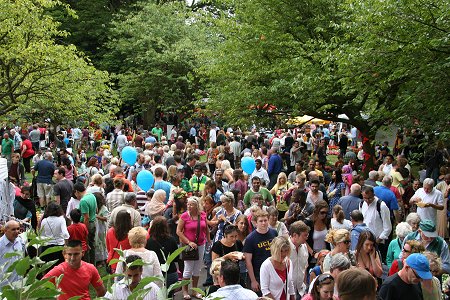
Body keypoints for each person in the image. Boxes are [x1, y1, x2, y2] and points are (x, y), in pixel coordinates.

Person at [176, 196, 210, 299]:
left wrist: (209, 240)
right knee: (188, 269)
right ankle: (185, 291)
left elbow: (206, 228)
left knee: (197, 268)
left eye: (191, 204)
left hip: (201, 244)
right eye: (188, 204)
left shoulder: (202, 215)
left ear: (197, 206)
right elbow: (178, 231)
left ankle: (194, 290)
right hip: (188, 246)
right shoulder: (184, 216)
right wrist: (188, 242)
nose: (189, 206)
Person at [243, 209, 278, 294]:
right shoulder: (250, 239)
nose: (263, 223)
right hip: (258, 274)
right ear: (255, 223)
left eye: (265, 220)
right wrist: (253, 280)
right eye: (261, 221)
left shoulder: (274, 233)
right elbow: (248, 261)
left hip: (274, 271)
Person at [146, 216, 179, 291]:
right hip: (171, 271)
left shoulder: (149, 242)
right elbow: (176, 258)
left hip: (156, 273)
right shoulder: (172, 240)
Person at [359, 185, 392, 262]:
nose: (367, 200)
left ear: (374, 195)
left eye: (369, 198)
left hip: (377, 242)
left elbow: (388, 227)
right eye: (365, 198)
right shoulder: (361, 204)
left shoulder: (381, 206)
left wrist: (377, 241)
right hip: (364, 240)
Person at [74, 182, 97, 264]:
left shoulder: (83, 201)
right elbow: (96, 210)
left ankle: (88, 264)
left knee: (86, 246)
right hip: (94, 222)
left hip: (88, 224)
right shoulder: (92, 195)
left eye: (75, 193)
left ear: (77, 191)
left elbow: (86, 217)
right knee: (92, 245)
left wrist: (84, 230)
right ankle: (93, 263)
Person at [0, 220, 25, 288]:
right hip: (4, 285)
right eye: (13, 229)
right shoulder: (1, 244)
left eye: (18, 228)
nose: (17, 231)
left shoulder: (20, 241)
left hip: (18, 283)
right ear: (5, 230)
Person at [288, 221, 310, 298]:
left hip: (301, 290)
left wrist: (304, 284)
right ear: (295, 235)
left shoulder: (304, 247)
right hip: (287, 291)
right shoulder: (285, 248)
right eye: (304, 235)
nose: (307, 238)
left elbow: (305, 267)